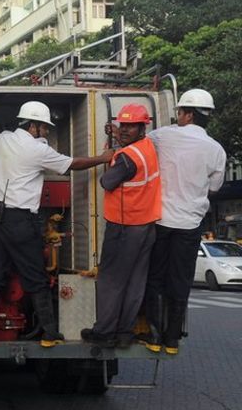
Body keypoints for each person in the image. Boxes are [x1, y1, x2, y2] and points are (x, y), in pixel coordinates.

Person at [0, 101, 112, 348]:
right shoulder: (38, 150)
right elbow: (73, 164)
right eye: (45, 127)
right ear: (32, 126)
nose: (48, 132)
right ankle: (50, 334)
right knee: (36, 278)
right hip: (21, 221)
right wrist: (102, 158)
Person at [138, 89, 226, 355]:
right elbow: (214, 187)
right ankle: (172, 339)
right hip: (190, 225)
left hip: (160, 220)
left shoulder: (161, 136)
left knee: (155, 276)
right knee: (180, 279)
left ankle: (153, 334)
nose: (177, 116)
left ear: (187, 114)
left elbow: (139, 149)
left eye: (179, 112)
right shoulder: (217, 150)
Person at [80, 104, 161, 349]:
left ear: (142, 128)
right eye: (122, 125)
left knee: (111, 280)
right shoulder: (147, 148)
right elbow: (130, 151)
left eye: (130, 126)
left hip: (125, 227)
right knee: (135, 281)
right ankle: (125, 333)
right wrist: (116, 135)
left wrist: (113, 154)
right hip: (146, 226)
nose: (125, 130)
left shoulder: (127, 158)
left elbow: (107, 181)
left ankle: (104, 332)